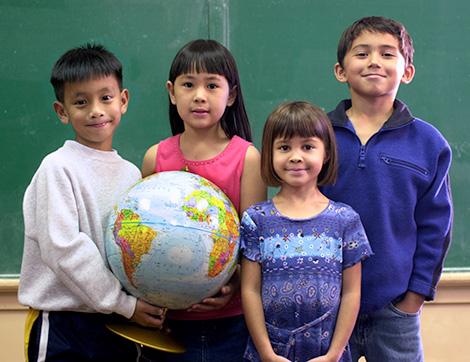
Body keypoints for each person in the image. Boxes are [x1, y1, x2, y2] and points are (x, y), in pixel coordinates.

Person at [18, 44, 166, 362]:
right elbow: (65, 249)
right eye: (81, 102)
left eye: (106, 98)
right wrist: (125, 304)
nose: (96, 110)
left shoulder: (130, 174)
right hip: (63, 325)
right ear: (62, 111)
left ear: (123, 101)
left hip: (118, 324)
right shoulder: (57, 168)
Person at [319, 16, 453, 362]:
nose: (374, 61)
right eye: (362, 53)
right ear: (340, 70)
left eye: (387, 54)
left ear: (407, 71)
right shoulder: (315, 136)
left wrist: (413, 300)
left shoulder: (429, 143)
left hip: (395, 311)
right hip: (325, 307)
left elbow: (436, 228)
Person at [140, 39, 267, 362]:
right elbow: (141, 236)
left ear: (232, 94)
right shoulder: (155, 157)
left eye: (212, 85)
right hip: (166, 324)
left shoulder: (247, 158)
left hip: (231, 324)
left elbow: (253, 244)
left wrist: (234, 284)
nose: (199, 95)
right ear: (172, 92)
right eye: (188, 85)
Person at [240, 101, 373, 362]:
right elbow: (250, 290)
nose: (296, 156)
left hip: (327, 352)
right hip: (270, 352)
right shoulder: (256, 220)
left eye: (308, 146)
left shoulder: (345, 220)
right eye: (284, 147)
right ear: (270, 154)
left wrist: (334, 355)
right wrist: (267, 354)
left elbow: (352, 292)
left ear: (326, 154)